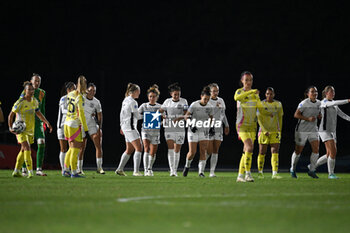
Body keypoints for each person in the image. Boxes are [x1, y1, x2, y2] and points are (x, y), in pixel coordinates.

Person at [9, 81, 52, 178]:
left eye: (32, 89)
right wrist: (10, 127)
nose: (31, 91)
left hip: (30, 130)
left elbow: (38, 113)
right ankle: (30, 172)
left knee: (23, 150)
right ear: (25, 91)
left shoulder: (35, 101)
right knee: (27, 148)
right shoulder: (20, 102)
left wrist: (46, 122)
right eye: (29, 89)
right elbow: (10, 115)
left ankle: (16, 171)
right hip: (20, 130)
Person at [314, 86, 350, 179]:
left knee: (329, 154)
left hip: (332, 131)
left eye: (334, 91)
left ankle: (312, 166)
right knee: (333, 152)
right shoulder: (324, 102)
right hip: (324, 130)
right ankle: (331, 174)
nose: (333, 93)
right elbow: (335, 102)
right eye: (331, 92)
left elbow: (342, 114)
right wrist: (347, 100)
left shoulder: (334, 104)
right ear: (326, 93)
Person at [290, 86, 321, 179]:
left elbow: (318, 113)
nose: (315, 93)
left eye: (316, 91)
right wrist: (308, 118)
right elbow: (296, 115)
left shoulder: (319, 103)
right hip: (302, 130)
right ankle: (293, 168)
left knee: (316, 150)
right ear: (308, 94)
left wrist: (320, 116)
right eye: (312, 92)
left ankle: (311, 170)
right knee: (298, 151)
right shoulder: (303, 103)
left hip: (313, 129)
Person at [183, 86, 213, 177]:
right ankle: (187, 166)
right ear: (201, 96)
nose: (206, 101)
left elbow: (211, 118)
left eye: (208, 99)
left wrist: (211, 128)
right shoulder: (194, 105)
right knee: (192, 152)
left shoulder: (210, 106)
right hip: (193, 131)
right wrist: (191, 125)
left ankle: (201, 172)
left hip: (204, 130)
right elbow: (186, 116)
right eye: (205, 99)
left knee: (203, 151)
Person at [234, 71, 259, 182]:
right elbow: (236, 98)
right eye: (246, 80)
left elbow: (259, 107)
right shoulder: (239, 92)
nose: (249, 82)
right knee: (249, 147)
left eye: (250, 80)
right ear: (242, 81)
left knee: (246, 151)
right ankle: (248, 174)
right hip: (242, 125)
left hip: (252, 126)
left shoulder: (254, 94)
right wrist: (252, 91)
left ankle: (240, 176)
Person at [21, 74, 47, 176]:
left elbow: (42, 108)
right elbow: (20, 106)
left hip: (38, 122)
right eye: (35, 81)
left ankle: (39, 169)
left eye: (38, 81)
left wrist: (44, 122)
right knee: (26, 146)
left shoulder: (42, 93)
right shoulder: (25, 92)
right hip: (27, 122)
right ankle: (23, 168)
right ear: (31, 81)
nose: (37, 83)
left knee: (41, 142)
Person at [159, 83, 188, 176]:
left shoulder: (184, 101)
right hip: (169, 127)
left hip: (180, 127)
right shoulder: (167, 102)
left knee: (177, 149)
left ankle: (175, 169)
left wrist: (180, 118)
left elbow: (187, 114)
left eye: (178, 94)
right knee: (171, 148)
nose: (177, 96)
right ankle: (172, 170)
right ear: (171, 94)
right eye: (175, 94)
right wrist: (163, 117)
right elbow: (160, 111)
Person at [63, 76, 89, 178]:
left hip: (67, 123)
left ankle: (65, 170)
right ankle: (73, 172)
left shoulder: (70, 93)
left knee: (70, 148)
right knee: (75, 149)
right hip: (74, 124)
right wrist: (86, 128)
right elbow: (81, 114)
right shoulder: (80, 97)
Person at [115, 83, 143, 176]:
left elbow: (121, 114)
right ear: (134, 92)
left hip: (125, 127)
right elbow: (138, 116)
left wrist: (121, 126)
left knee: (129, 149)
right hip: (130, 128)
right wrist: (150, 116)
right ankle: (136, 171)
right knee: (139, 148)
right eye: (138, 91)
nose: (139, 93)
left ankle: (119, 169)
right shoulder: (133, 102)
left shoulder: (125, 100)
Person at [256, 87, 283, 179]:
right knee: (262, 152)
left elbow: (280, 118)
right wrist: (264, 130)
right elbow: (258, 119)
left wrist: (280, 130)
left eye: (271, 94)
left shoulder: (278, 104)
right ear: (265, 94)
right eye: (267, 94)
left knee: (275, 151)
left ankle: (274, 173)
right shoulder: (261, 104)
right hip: (263, 131)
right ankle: (260, 172)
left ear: (274, 94)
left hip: (275, 131)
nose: (269, 95)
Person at [78, 83, 105, 175]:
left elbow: (100, 115)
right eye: (90, 90)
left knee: (98, 145)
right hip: (81, 124)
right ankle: (79, 168)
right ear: (86, 90)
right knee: (82, 147)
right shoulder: (81, 97)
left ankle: (99, 167)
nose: (92, 92)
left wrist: (99, 128)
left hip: (91, 124)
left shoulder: (97, 102)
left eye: (94, 91)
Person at [206, 83, 230, 177]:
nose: (216, 93)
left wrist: (226, 125)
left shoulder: (221, 100)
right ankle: (201, 167)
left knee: (216, 149)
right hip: (209, 127)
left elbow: (223, 114)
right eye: (214, 91)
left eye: (217, 91)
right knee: (209, 150)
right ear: (210, 92)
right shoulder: (207, 101)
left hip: (218, 127)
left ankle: (212, 172)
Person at [138, 84, 162, 176]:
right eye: (150, 96)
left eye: (154, 96)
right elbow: (136, 115)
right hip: (145, 130)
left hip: (155, 131)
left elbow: (165, 118)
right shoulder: (144, 106)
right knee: (146, 148)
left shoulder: (160, 107)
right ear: (148, 97)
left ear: (157, 97)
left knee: (153, 152)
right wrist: (144, 116)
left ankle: (150, 168)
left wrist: (161, 121)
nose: (152, 98)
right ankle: (146, 170)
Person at [57, 82, 76, 173]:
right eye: (73, 88)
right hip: (62, 125)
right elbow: (63, 110)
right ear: (68, 90)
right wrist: (73, 111)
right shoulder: (63, 99)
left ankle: (69, 168)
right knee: (63, 149)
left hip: (71, 125)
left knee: (72, 148)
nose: (75, 90)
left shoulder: (75, 99)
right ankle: (63, 169)